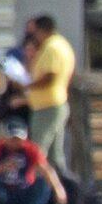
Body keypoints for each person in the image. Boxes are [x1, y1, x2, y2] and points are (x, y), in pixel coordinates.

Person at [22, 14, 77, 172]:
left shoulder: (52, 47)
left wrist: (27, 85)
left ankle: (38, 190)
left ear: (41, 30)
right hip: (54, 104)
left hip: (47, 106)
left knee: (38, 152)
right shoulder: (61, 44)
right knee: (55, 157)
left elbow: (50, 76)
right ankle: (63, 189)